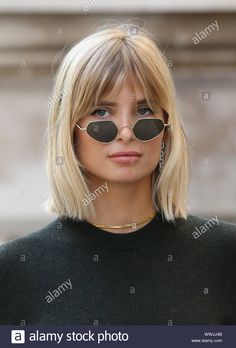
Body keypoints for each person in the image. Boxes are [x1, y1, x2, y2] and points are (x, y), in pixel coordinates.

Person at [0, 23, 235, 326]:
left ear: (166, 128)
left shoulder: (225, 258)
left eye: (145, 110)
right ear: (70, 129)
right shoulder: (13, 272)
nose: (125, 131)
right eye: (101, 112)